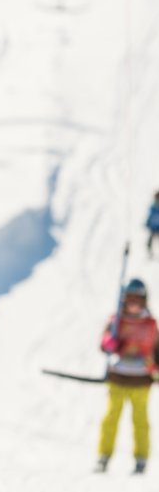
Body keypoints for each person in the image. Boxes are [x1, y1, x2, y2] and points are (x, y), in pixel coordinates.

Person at [96, 278, 159, 474]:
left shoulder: (150, 324)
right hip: (118, 377)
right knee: (111, 417)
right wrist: (109, 343)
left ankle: (141, 459)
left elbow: (157, 350)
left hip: (141, 380)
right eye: (130, 299)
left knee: (140, 420)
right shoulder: (117, 321)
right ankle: (103, 457)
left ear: (144, 301)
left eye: (137, 300)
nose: (133, 304)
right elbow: (104, 343)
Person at [145, 191, 159, 258]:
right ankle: (150, 253)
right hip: (153, 228)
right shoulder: (153, 207)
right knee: (150, 241)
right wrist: (147, 222)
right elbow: (150, 216)